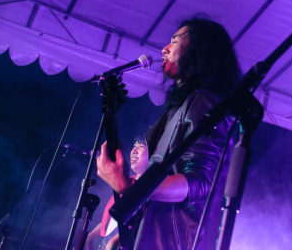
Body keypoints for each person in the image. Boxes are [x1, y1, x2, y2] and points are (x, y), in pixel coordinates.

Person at [97, 17, 242, 250]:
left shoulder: (203, 101)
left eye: (175, 41)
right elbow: (158, 185)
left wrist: (125, 185)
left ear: (199, 52)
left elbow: (200, 181)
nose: (164, 49)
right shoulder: (181, 107)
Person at [86, 140, 149, 250]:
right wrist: (90, 236)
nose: (134, 151)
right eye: (134, 146)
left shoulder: (151, 187)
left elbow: (140, 224)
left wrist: (114, 242)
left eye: (141, 146)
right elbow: (113, 219)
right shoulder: (127, 182)